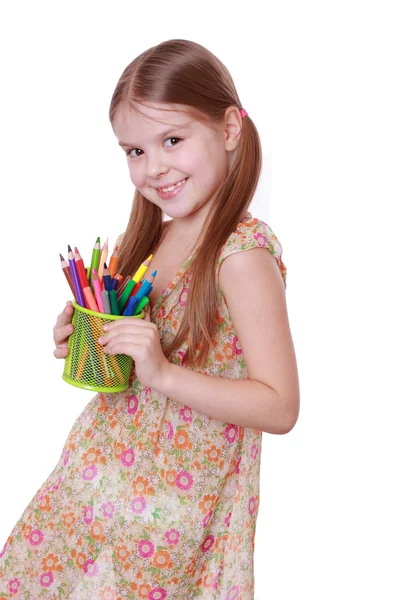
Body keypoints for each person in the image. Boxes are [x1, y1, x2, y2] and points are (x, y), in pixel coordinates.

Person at [0, 38, 300, 600]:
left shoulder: (241, 255)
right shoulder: (151, 240)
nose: (153, 167)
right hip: (92, 494)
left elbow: (280, 407)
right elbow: (135, 383)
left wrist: (161, 371)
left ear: (231, 129)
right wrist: (93, 343)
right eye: (134, 151)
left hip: (169, 527)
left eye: (172, 140)